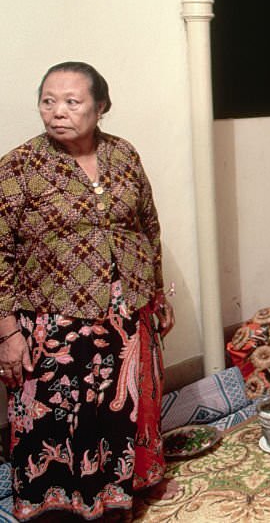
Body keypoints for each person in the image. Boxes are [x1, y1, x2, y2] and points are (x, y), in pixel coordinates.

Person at [0, 61, 173, 520]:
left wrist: (155, 293)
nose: (58, 111)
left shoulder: (124, 155)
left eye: (73, 102)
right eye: (48, 101)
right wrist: (7, 333)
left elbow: (147, 228)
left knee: (127, 408)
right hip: (53, 316)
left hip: (125, 309)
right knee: (56, 418)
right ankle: (61, 503)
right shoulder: (19, 167)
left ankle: (127, 491)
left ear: (101, 107)